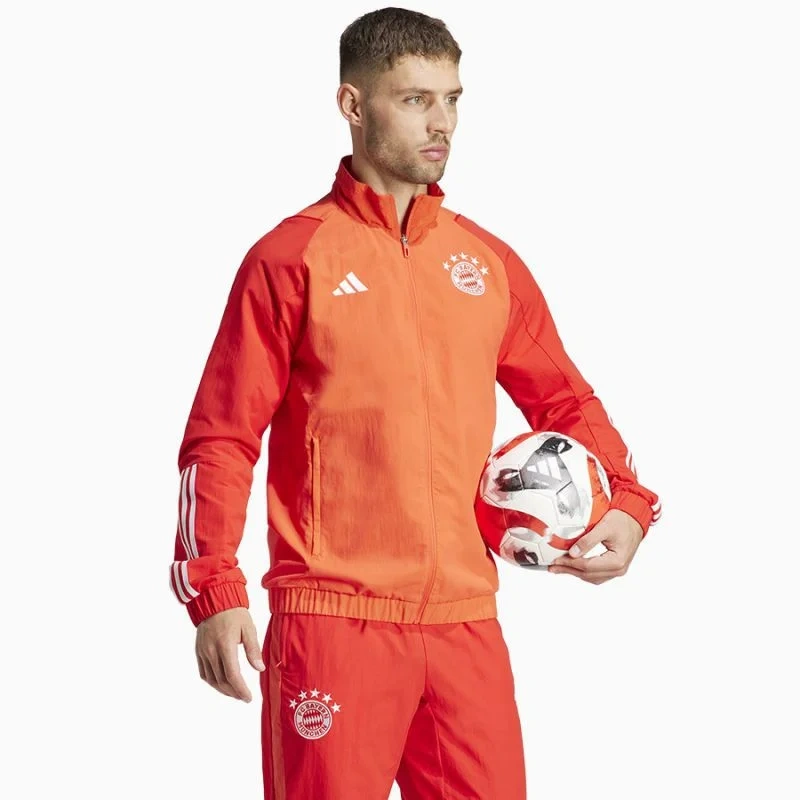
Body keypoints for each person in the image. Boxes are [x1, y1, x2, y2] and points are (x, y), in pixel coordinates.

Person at [168, 7, 662, 799]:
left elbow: (566, 399)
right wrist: (213, 589)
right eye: (415, 100)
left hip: (466, 621)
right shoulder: (290, 258)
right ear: (353, 105)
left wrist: (631, 504)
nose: (443, 123)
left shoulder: (486, 262)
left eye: (453, 99)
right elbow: (222, 437)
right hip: (333, 621)